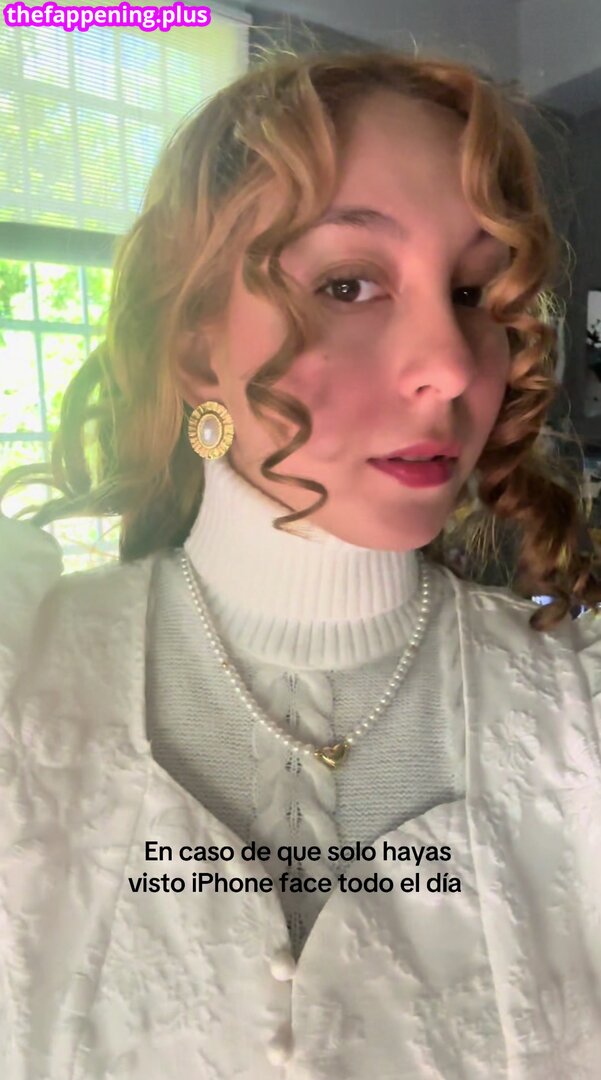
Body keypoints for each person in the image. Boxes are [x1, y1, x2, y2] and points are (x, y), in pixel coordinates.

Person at [1, 46, 601, 1080]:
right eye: (348, 283)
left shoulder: (572, 715)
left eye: (471, 291)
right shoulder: (25, 675)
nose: (450, 364)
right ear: (197, 349)